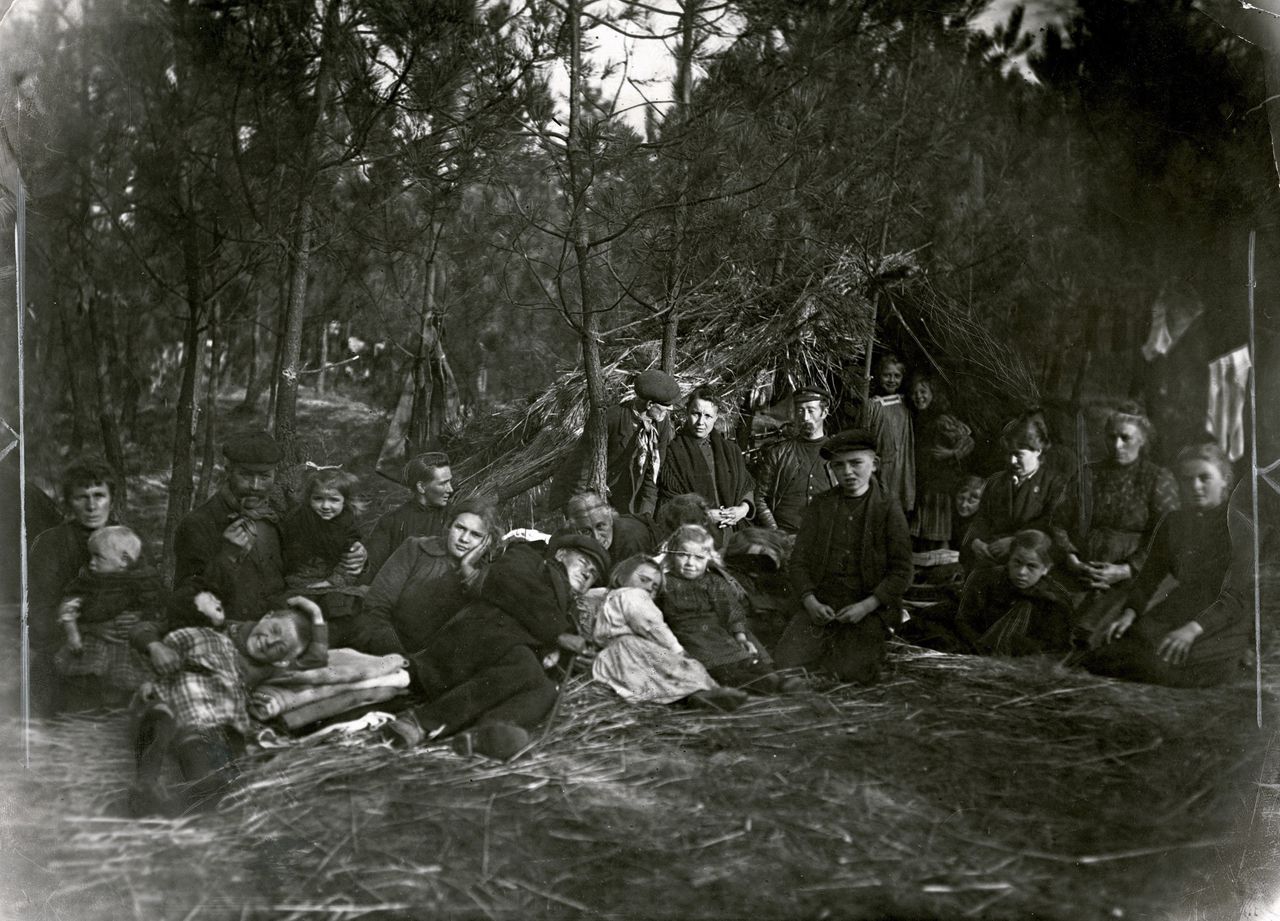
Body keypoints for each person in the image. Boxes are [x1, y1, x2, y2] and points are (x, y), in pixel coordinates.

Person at [383, 534, 610, 760]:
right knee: (523, 664)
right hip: (471, 642)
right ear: (561, 554)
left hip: (502, 664)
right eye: (583, 563)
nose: (587, 573)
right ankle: (419, 722)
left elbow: (549, 648)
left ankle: (483, 737)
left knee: (546, 690)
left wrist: (569, 658)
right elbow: (513, 586)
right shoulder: (529, 558)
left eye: (593, 575)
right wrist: (559, 634)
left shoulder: (569, 614)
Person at [128, 597, 328, 816]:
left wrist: (316, 614)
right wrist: (155, 646)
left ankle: (178, 803)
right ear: (267, 616)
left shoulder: (269, 667)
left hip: (206, 715)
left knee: (213, 760)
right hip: (171, 693)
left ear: (283, 660)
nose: (269, 642)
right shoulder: (217, 625)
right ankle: (146, 783)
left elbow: (316, 659)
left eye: (279, 647)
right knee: (159, 713)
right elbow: (145, 628)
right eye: (274, 630)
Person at [1082, 443, 1245, 687]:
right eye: (1188, 480)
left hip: (1221, 619)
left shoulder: (1238, 526)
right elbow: (1150, 576)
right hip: (1181, 607)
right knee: (1105, 655)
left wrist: (1192, 629)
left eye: (1205, 478)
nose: (1195, 487)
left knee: (1158, 667)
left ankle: (1234, 658)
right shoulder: (1174, 522)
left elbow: (1236, 597)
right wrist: (1130, 612)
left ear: (1224, 481)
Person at [174, 431, 368, 623]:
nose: (256, 486)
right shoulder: (199, 523)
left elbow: (317, 552)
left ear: (275, 473)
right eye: (246, 475)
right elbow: (184, 602)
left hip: (284, 626)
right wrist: (227, 556)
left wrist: (356, 555)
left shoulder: (283, 514)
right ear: (228, 471)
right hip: (231, 630)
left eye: (265, 476)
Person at [773, 428, 913, 685]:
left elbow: (902, 571)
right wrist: (810, 601)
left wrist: (867, 606)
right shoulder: (820, 506)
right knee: (784, 663)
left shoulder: (887, 507)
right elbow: (799, 562)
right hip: (823, 604)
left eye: (856, 463)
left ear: (875, 464)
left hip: (868, 607)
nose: (847, 473)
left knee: (851, 673)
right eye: (839, 466)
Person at [1051, 403, 1179, 643]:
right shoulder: (1088, 473)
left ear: (1142, 440)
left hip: (1133, 574)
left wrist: (1127, 569)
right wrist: (1071, 557)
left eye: (1125, 438)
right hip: (1082, 569)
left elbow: (1167, 532)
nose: (1117, 445)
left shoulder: (1157, 478)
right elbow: (1058, 520)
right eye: (1112, 437)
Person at [29, 458, 124, 714]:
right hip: (66, 653)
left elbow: (151, 599)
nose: (92, 506)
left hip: (126, 651)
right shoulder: (50, 545)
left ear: (111, 499)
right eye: (82, 497)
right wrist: (90, 627)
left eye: (99, 495)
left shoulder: (129, 540)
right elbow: (37, 621)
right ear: (69, 503)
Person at [591, 555, 747, 710]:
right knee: (679, 667)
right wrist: (676, 649)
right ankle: (702, 693)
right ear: (622, 575)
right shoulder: (632, 595)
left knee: (653, 679)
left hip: (610, 658)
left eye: (654, 588)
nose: (647, 588)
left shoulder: (605, 597)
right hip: (631, 648)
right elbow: (652, 626)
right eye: (644, 580)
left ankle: (694, 697)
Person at [659, 524, 800, 694]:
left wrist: (740, 636)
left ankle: (778, 681)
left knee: (750, 661)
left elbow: (731, 610)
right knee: (723, 671)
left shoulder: (712, 582)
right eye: (683, 555)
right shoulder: (663, 583)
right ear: (671, 555)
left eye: (698, 557)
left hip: (720, 636)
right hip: (690, 640)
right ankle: (746, 689)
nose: (690, 563)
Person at [279, 467, 402, 654]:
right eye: (318, 499)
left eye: (334, 500)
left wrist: (331, 582)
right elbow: (289, 556)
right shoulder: (298, 521)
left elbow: (349, 563)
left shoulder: (346, 524)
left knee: (349, 610)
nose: (325, 506)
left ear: (345, 501)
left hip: (334, 582)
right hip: (299, 581)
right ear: (308, 498)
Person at [53, 525, 164, 711]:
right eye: (91, 556)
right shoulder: (88, 582)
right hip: (94, 643)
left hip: (128, 645)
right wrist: (73, 632)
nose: (91, 563)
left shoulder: (144, 581)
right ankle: (86, 709)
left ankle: (118, 709)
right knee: (86, 679)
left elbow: (155, 609)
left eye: (98, 557)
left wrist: (142, 623)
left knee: (123, 683)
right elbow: (69, 607)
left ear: (124, 560)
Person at [364, 499, 495, 653]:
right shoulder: (416, 549)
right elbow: (376, 606)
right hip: (388, 651)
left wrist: (467, 568)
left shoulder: (486, 576)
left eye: (476, 534)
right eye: (460, 528)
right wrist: (398, 657)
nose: (464, 539)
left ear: (487, 541)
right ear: (449, 526)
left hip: (439, 663)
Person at [555, 369, 682, 517]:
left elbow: (653, 473)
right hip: (595, 495)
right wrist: (582, 510)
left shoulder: (661, 423)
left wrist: (645, 514)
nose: (670, 409)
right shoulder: (610, 419)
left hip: (629, 500)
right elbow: (581, 468)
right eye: (666, 405)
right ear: (649, 404)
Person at [961, 413, 1070, 570]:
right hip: (990, 553)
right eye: (1009, 454)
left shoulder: (1055, 484)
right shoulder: (996, 481)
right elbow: (981, 519)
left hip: (1030, 558)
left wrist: (1015, 541)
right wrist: (975, 541)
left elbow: (1051, 524)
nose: (1012, 461)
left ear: (1038, 451)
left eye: (1018, 454)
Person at [658, 388, 755, 542]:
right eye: (695, 414)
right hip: (694, 535)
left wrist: (743, 509)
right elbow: (670, 500)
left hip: (731, 533)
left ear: (716, 417)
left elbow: (746, 486)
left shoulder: (731, 450)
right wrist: (704, 515)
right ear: (687, 413)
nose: (701, 422)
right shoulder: (673, 453)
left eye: (708, 416)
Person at [954, 530, 1072, 656]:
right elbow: (964, 622)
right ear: (1009, 559)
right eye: (1017, 562)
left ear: (1046, 569)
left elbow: (1054, 649)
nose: (1021, 572)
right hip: (974, 650)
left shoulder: (1055, 601)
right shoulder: (985, 579)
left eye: (1031, 566)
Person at [753, 387, 837, 533]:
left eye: (811, 411)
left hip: (825, 538)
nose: (805, 417)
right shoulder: (779, 453)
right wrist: (775, 533)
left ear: (824, 412)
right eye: (800, 411)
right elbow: (760, 497)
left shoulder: (838, 454)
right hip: (783, 536)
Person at [364, 452, 455, 580]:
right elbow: (372, 570)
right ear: (421, 487)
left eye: (450, 481)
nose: (450, 489)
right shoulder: (392, 521)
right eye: (443, 483)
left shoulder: (455, 518)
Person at [909, 373, 975, 549]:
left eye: (923, 392)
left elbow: (968, 441)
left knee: (939, 532)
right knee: (924, 533)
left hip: (940, 484)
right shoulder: (918, 418)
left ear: (933, 394)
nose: (918, 396)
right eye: (914, 393)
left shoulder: (941, 419)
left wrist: (951, 453)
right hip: (925, 481)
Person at [861, 353, 915, 515]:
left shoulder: (906, 402)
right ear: (879, 375)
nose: (892, 380)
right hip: (882, 463)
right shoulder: (873, 405)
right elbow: (863, 435)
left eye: (896, 376)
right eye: (887, 375)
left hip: (902, 463)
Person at [564, 490, 659, 561]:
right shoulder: (569, 535)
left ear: (610, 519)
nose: (596, 537)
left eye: (600, 526)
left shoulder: (631, 539)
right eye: (586, 531)